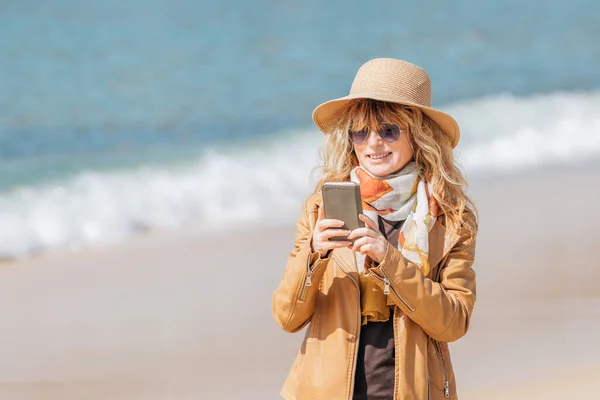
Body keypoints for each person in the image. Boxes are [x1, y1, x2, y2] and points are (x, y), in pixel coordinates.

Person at [272, 58, 477, 400]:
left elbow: (453, 322)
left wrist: (388, 258)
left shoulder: (450, 219)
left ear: (419, 135)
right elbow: (287, 316)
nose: (373, 143)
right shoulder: (320, 208)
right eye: (360, 131)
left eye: (388, 129)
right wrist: (313, 256)